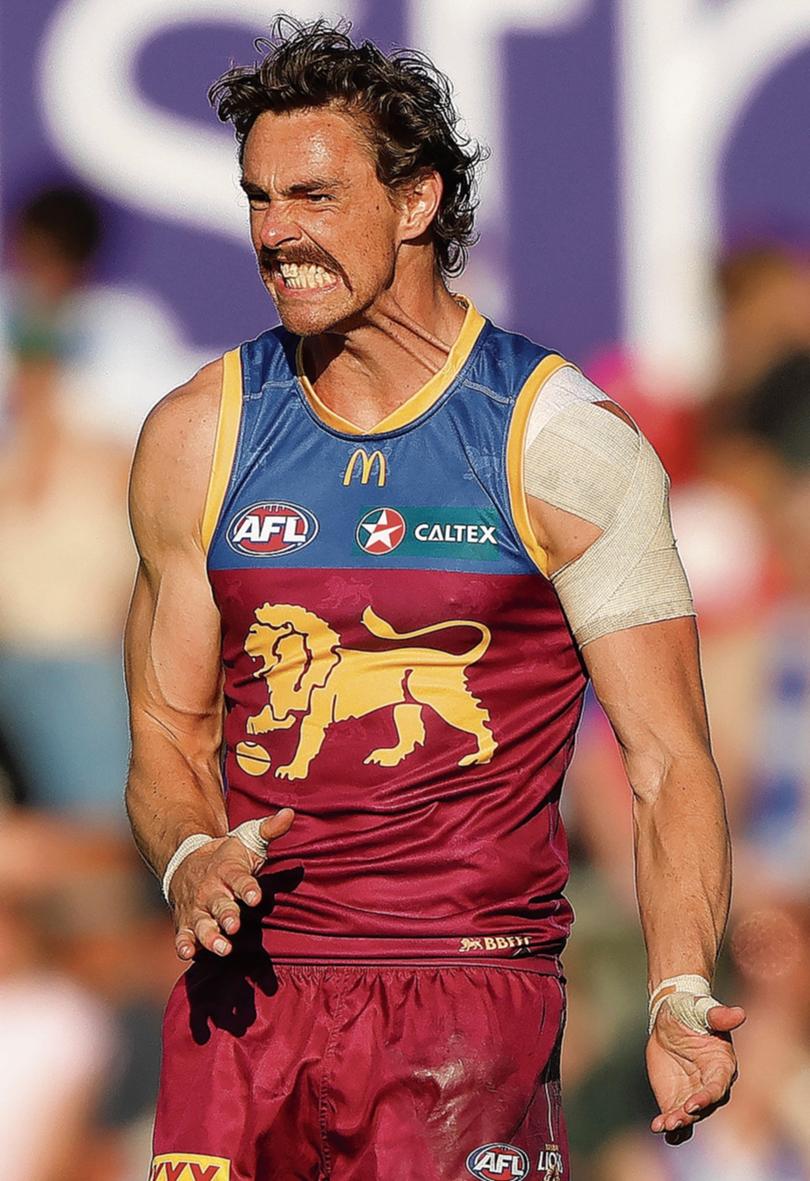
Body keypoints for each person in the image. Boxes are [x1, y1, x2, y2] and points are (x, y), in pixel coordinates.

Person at [125, 18, 744, 1180]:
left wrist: (680, 988)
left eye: (311, 196)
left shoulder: (564, 443)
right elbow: (167, 727)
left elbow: (667, 760)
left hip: (465, 998)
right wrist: (188, 853)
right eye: (258, 199)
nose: (275, 235)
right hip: (245, 1004)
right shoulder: (194, 435)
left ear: (416, 201)